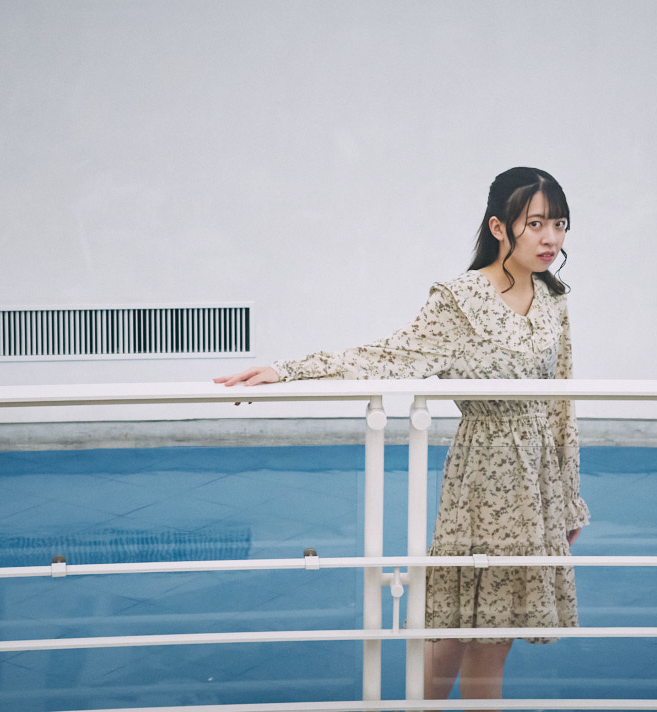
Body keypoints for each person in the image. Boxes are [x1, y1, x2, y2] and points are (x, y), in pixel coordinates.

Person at [215, 167, 590, 705]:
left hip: (539, 481)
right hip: (484, 476)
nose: (551, 237)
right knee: (473, 631)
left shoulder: (554, 299)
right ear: (499, 227)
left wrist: (569, 498)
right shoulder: (461, 299)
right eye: (536, 224)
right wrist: (288, 371)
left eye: (559, 224)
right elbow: (388, 355)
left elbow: (561, 404)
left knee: (483, 631)